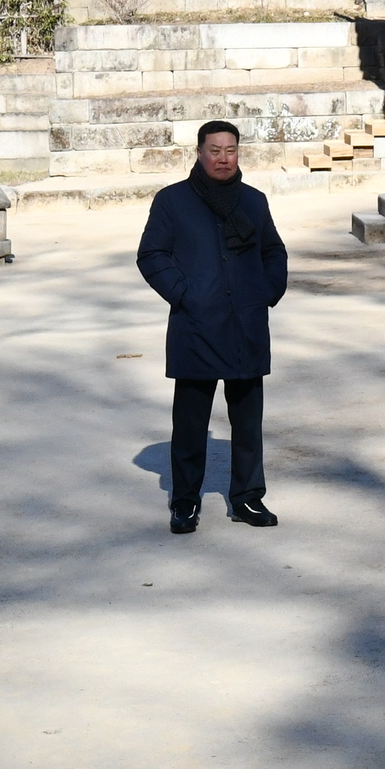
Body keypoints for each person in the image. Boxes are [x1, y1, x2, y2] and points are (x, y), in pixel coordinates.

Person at [139, 120, 288, 533]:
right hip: (196, 326)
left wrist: (266, 291)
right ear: (200, 152)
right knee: (189, 423)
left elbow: (273, 251)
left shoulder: (253, 202)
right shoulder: (172, 201)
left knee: (247, 423)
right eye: (214, 150)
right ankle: (185, 502)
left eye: (231, 150)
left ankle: (248, 498)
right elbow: (151, 255)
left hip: (246, 323)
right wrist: (185, 294)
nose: (223, 158)